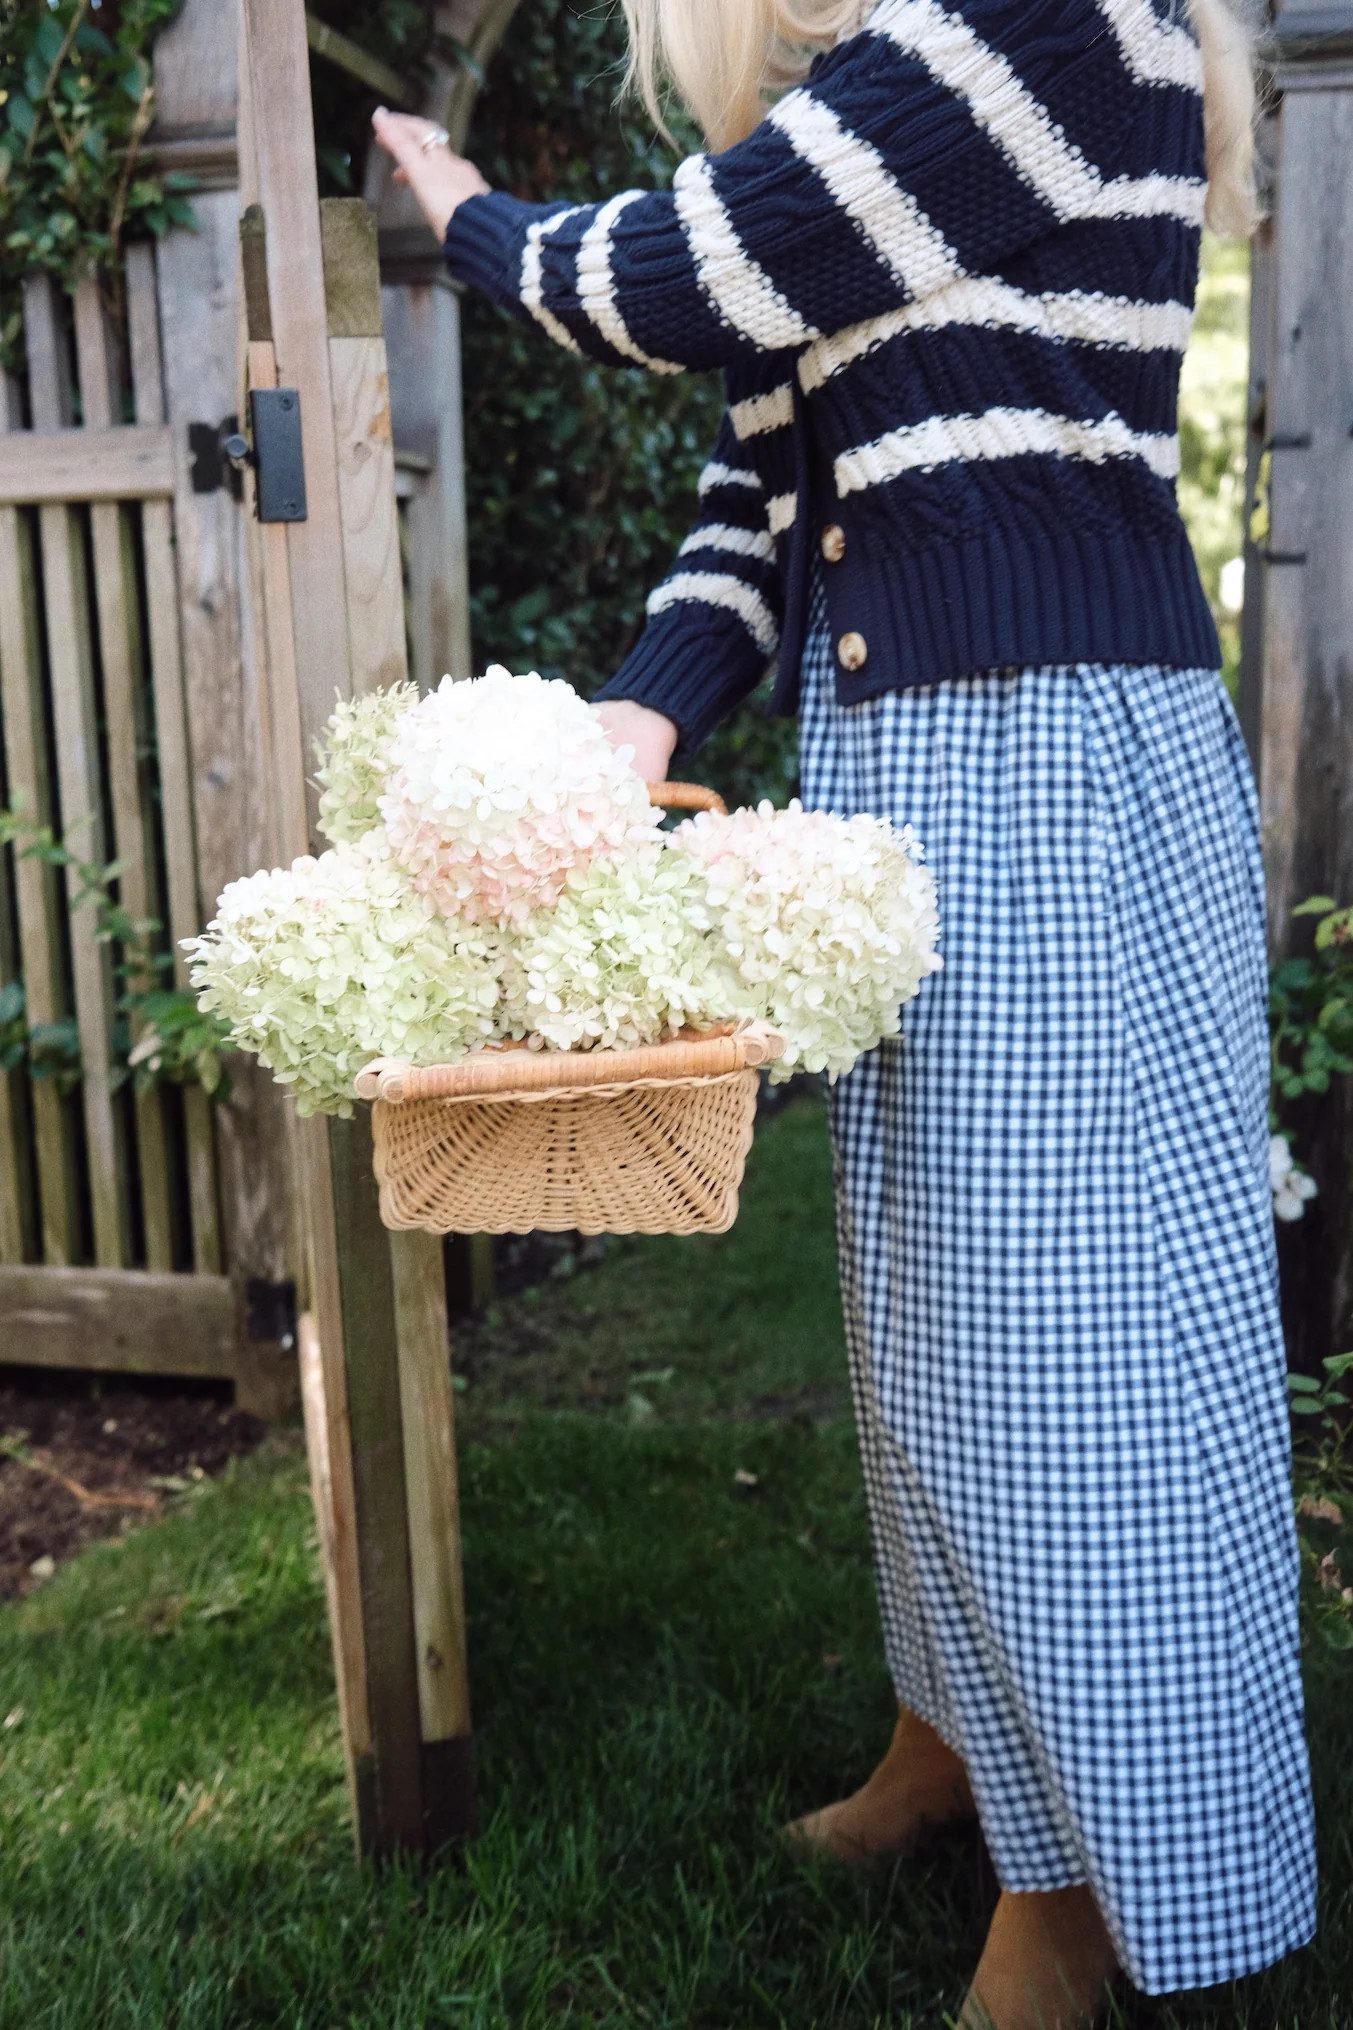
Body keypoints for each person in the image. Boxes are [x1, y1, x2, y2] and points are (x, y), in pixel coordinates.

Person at [372, 0, 1316, 2018]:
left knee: (1074, 1353)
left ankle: (1097, 1877)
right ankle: (959, 1739)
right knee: (923, 1318)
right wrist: (641, 710)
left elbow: (671, 275)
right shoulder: (885, 109)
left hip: (1049, 761)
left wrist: (462, 210)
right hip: (905, 754)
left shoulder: (1049, 20)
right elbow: (769, 489)